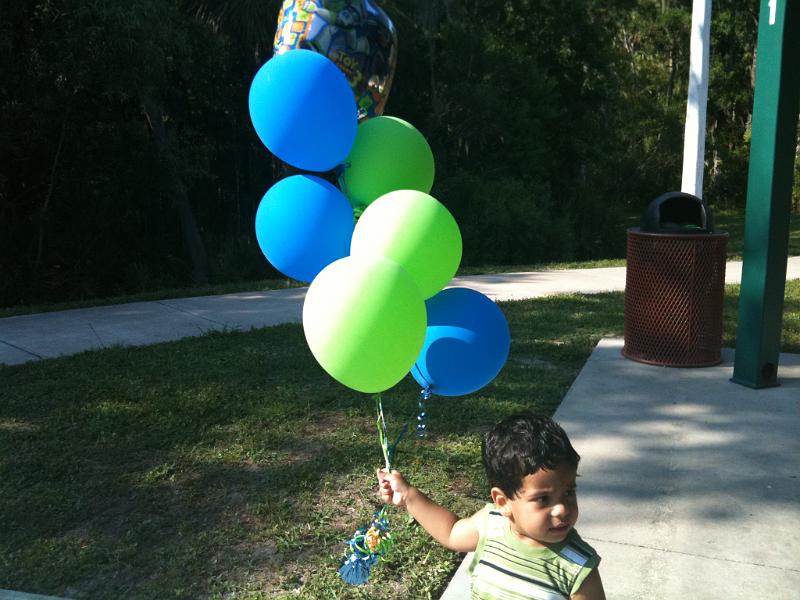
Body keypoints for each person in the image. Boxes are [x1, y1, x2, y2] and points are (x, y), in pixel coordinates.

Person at [377, 413, 605, 599]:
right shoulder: (491, 524)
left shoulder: (577, 566)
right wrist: (408, 495)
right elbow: (451, 532)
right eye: (543, 499)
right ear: (503, 502)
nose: (562, 509)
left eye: (568, 492)